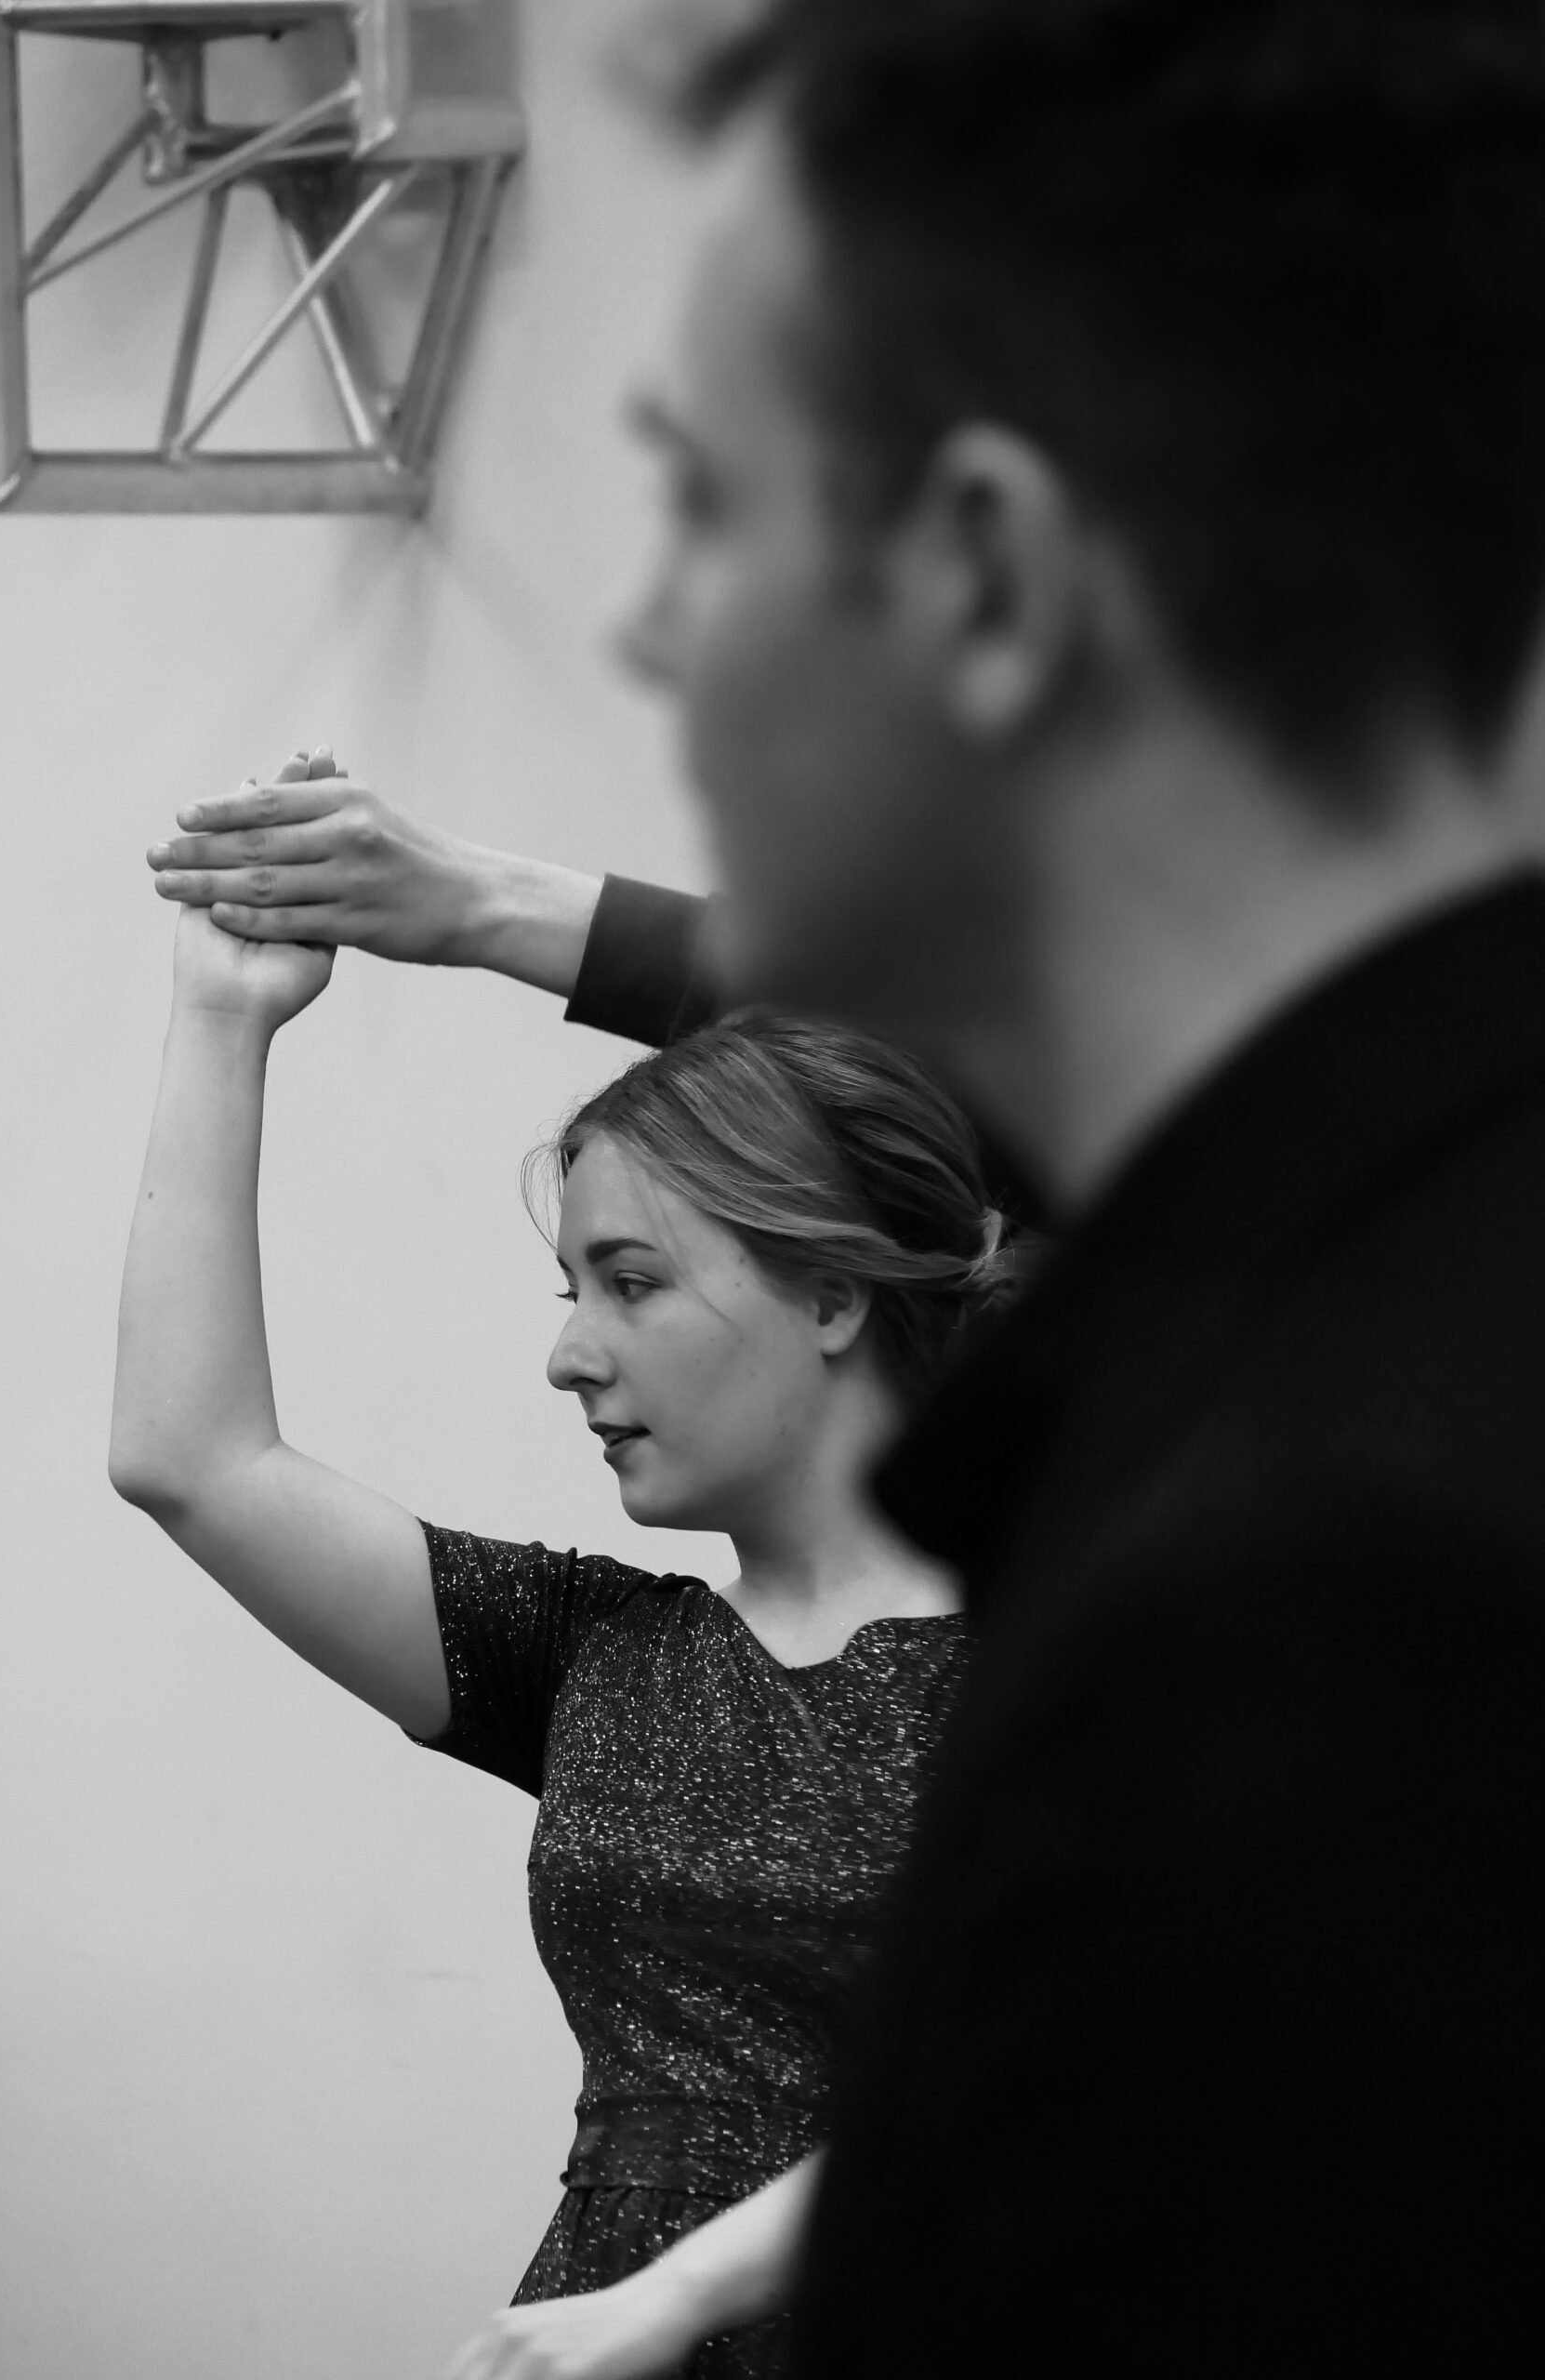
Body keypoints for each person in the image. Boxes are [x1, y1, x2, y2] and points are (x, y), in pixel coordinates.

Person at [152, 3, 1545, 2371]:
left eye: (701, 506)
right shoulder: (1302, 1310)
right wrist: (476, 911)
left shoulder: (1338, 1542)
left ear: (982, 572)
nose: (646, 627)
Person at [108, 875, 1021, 2380]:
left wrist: (478, 904)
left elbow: (1050, 2089)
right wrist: (223, 1014)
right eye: (571, 1288)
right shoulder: (604, 1655)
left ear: (834, 1295)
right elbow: (192, 1461)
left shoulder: (1072, 1663)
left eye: (632, 1283)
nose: (567, 1355)